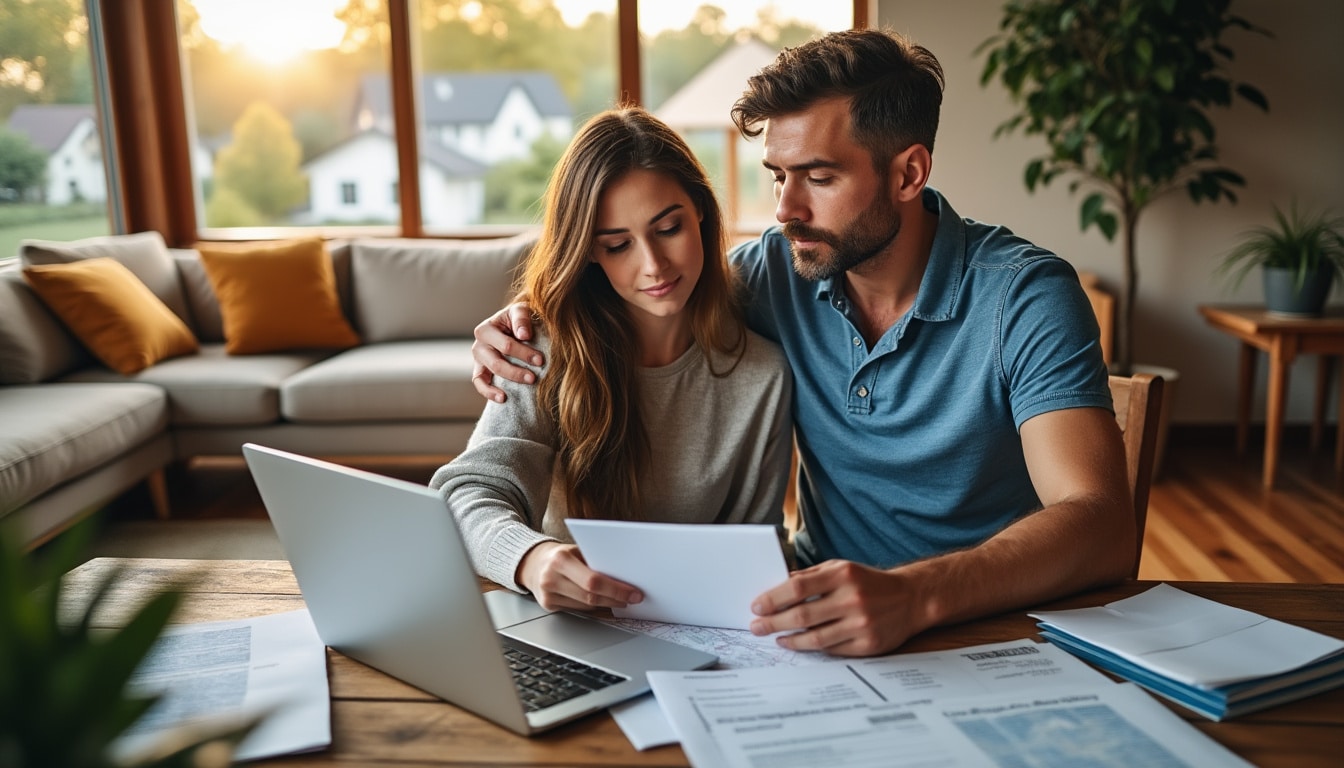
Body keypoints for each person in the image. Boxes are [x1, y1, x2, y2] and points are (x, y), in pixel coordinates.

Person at [470, 29, 1133, 656]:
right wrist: (534, 318)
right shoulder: (776, 271)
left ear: (908, 174)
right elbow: (653, 291)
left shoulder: (1024, 296)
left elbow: (1101, 523)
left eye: (818, 178)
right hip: (811, 623)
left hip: (984, 621)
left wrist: (916, 595)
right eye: (778, 175)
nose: (786, 210)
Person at [430, 107, 793, 613]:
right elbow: (467, 494)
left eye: (669, 228)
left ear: (701, 213)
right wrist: (531, 558)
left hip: (705, 624)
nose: (653, 265)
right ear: (589, 252)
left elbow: (758, 549)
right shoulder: (544, 349)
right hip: (565, 621)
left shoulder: (763, 374)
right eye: (618, 245)